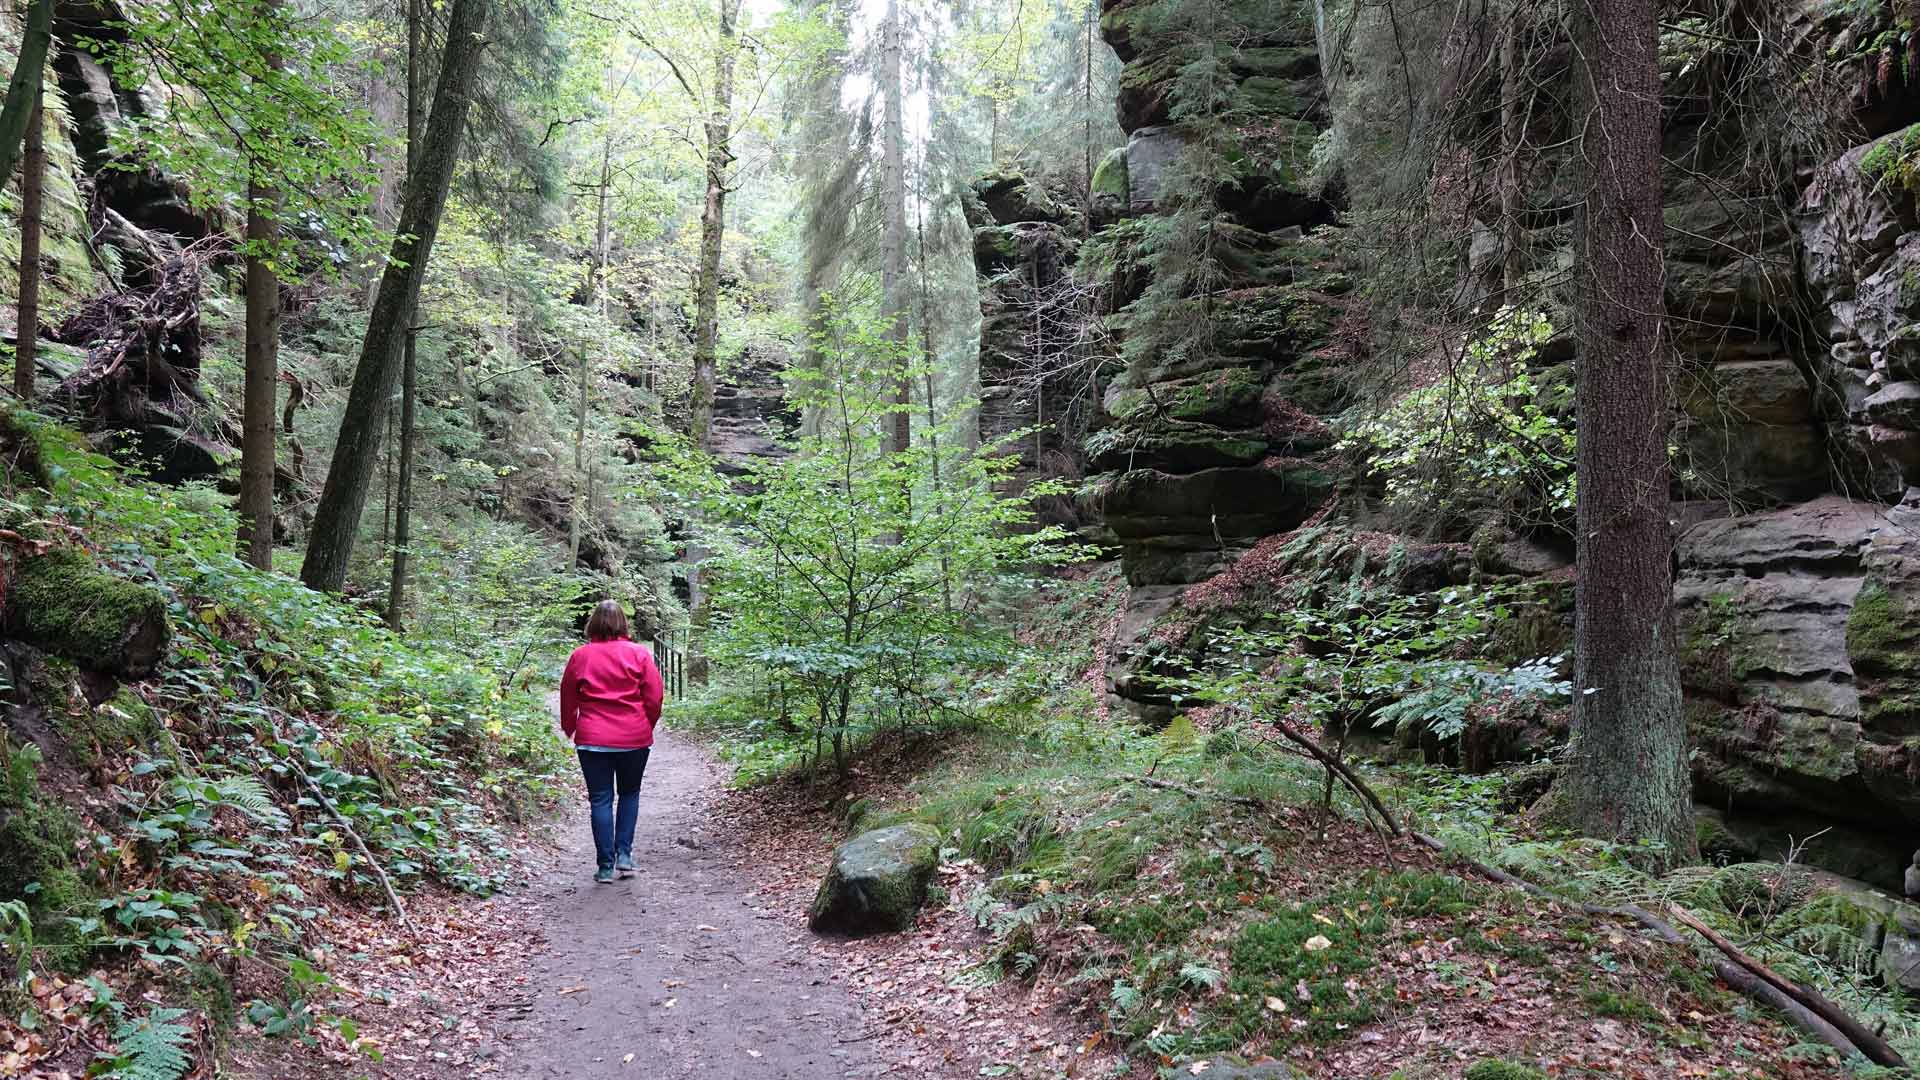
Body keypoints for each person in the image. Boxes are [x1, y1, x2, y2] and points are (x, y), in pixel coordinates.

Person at [559, 600, 664, 884]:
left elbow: (568, 695)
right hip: (633, 737)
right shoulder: (638, 654)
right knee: (629, 794)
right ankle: (624, 856)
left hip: (592, 739)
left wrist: (570, 727)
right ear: (623, 624)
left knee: (600, 799)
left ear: (592, 623)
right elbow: (654, 697)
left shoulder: (581, 655)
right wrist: (646, 724)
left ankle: (605, 866)